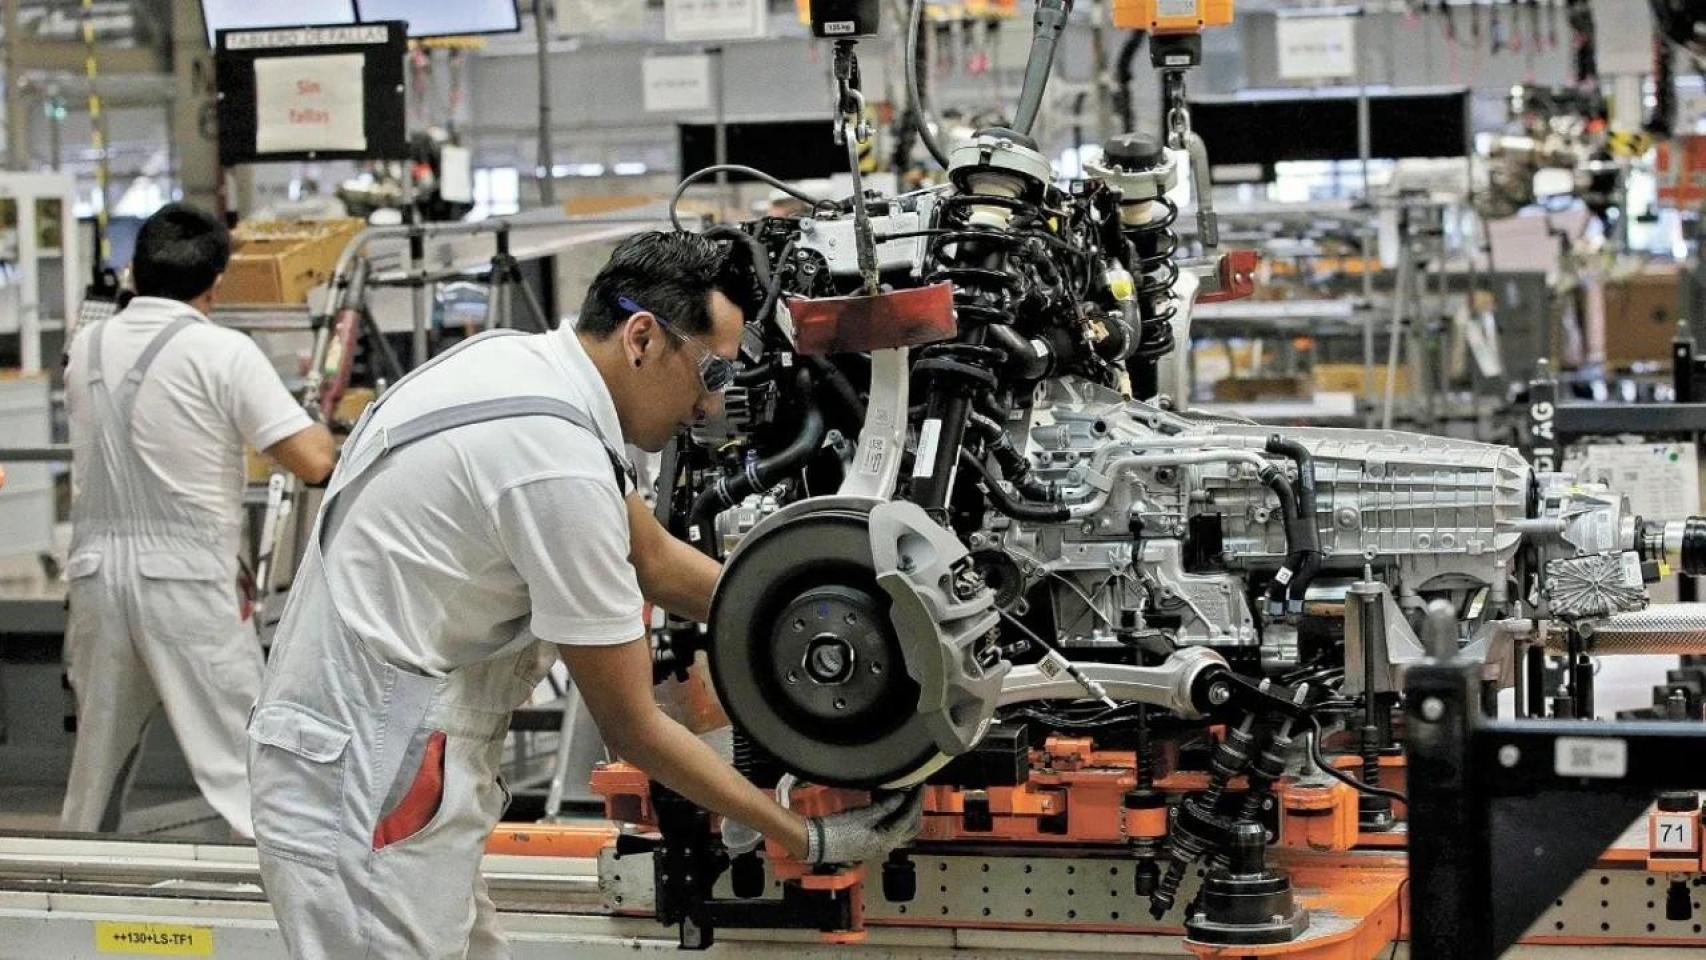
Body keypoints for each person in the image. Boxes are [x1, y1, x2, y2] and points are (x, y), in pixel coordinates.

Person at [248, 231, 920, 958]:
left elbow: (656, 561)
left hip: (388, 755)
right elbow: (632, 726)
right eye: (713, 373)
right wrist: (803, 834)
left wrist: (834, 611)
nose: (710, 405)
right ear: (642, 338)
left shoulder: (524, 373)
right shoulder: (554, 464)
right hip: (369, 777)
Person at [60, 203, 337, 836]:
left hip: (96, 578)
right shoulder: (222, 352)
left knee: (96, 769)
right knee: (245, 764)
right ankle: (287, 906)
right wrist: (322, 418)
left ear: (134, 271)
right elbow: (313, 460)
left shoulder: (86, 346)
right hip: (184, 581)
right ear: (216, 282)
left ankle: (74, 892)